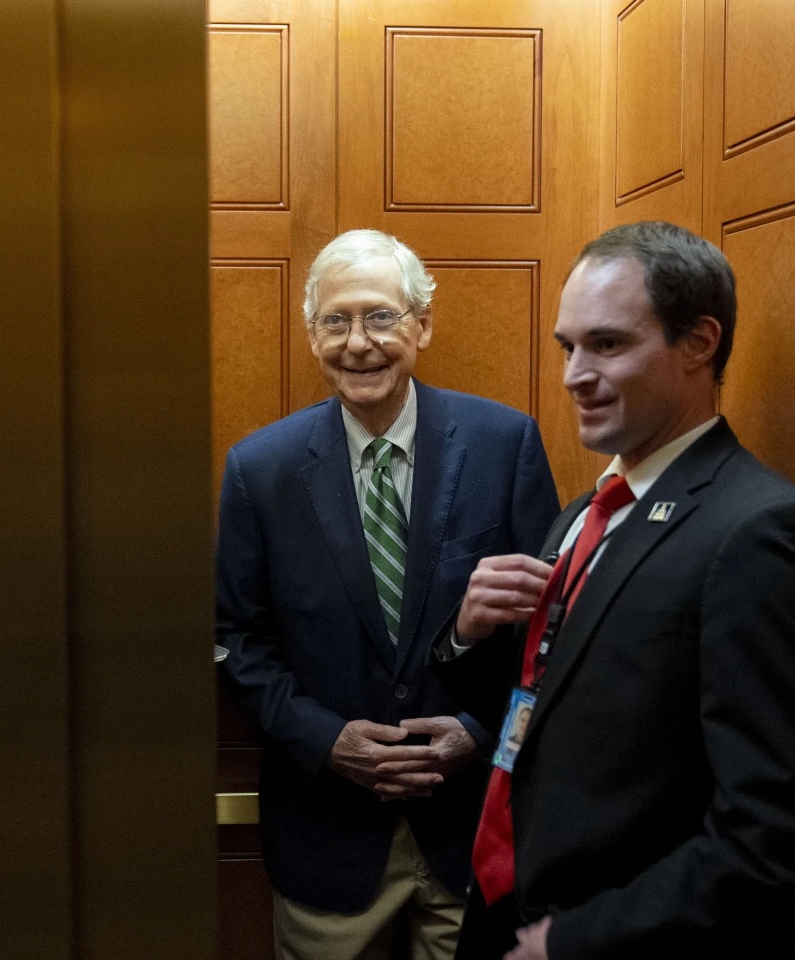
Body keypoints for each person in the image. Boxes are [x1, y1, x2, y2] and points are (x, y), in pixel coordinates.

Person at [435, 221, 795, 959]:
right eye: (568, 347)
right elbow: (554, 707)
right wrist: (468, 633)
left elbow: (781, 837)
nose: (573, 374)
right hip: (503, 908)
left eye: (607, 344)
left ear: (699, 342)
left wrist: (572, 939)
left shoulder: (763, 533)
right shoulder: (582, 516)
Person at [218, 229, 560, 960]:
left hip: (469, 834)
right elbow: (236, 640)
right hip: (326, 841)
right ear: (312, 336)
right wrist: (326, 740)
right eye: (335, 321)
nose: (358, 342)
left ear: (423, 325)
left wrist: (477, 729)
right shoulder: (259, 471)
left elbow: (551, 632)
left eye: (379, 316)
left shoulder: (506, 445)